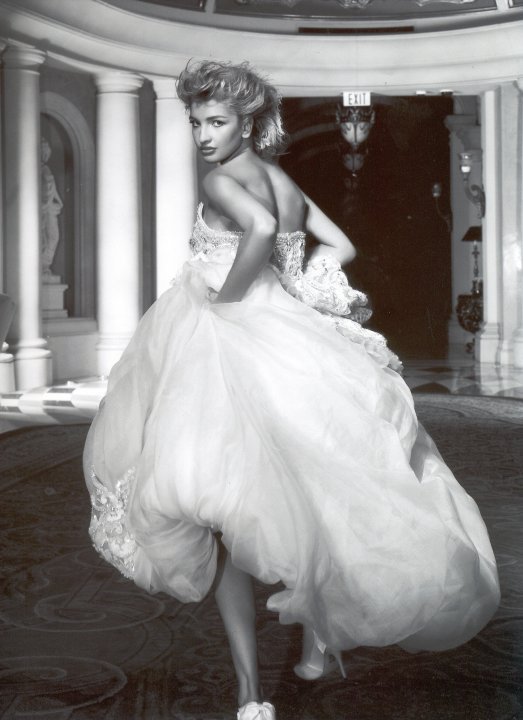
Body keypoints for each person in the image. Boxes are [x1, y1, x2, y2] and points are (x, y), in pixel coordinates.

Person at [83, 60, 500, 720]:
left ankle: (251, 694)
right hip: (286, 338)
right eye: (196, 122)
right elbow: (339, 245)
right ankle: (314, 647)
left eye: (216, 122)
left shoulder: (221, 180)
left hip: (230, 343)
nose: (203, 135)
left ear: (248, 122)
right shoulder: (283, 181)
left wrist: (225, 301)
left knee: (227, 518)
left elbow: (255, 232)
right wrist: (298, 291)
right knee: (303, 499)